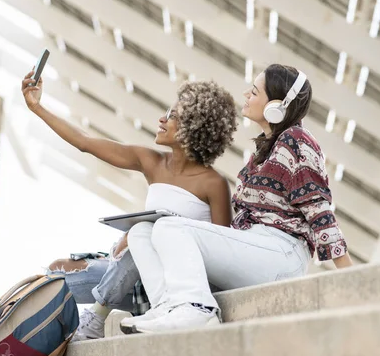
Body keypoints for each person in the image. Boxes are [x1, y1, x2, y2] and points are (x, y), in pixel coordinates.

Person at [121, 64, 354, 334]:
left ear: (276, 105)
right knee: (141, 231)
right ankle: (169, 307)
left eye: (254, 91)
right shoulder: (263, 151)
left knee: (168, 227)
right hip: (257, 247)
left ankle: (197, 309)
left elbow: (319, 212)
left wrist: (348, 274)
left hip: (282, 254)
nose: (246, 94)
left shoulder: (297, 140)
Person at [20, 69, 238, 340]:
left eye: (172, 116)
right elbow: (86, 143)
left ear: (194, 128)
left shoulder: (214, 184)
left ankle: (94, 321)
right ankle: (33, 349)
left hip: (172, 284)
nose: (161, 119)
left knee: (142, 232)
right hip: (129, 274)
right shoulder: (152, 162)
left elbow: (222, 251)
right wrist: (37, 107)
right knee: (53, 275)